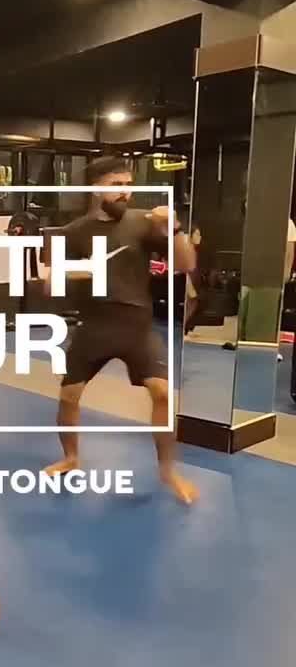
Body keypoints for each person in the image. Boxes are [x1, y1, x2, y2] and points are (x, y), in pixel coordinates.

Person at [42, 156, 199, 505]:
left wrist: (174, 229)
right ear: (95, 188)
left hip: (136, 327)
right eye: (117, 185)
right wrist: (66, 273)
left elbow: (186, 263)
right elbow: (49, 283)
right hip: (94, 327)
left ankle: (168, 471)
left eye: (129, 185)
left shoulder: (144, 223)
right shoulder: (74, 232)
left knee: (162, 394)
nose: (125, 192)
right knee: (69, 397)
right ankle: (70, 457)